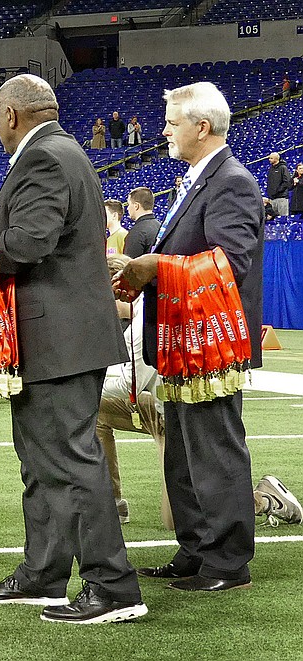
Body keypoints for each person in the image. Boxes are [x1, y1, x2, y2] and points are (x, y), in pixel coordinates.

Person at [0, 74, 145, 624]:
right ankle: (45, 573)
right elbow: (34, 221)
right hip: (58, 336)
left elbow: (32, 240)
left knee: (71, 460)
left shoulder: (44, 158)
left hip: (59, 337)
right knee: (42, 460)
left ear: (10, 116)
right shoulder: (60, 150)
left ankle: (113, 586)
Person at [118, 81, 264, 592]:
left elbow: (231, 261)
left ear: (201, 127)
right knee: (182, 450)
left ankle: (227, 561)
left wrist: (154, 265)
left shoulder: (232, 182)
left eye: (172, 122)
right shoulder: (202, 179)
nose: (164, 131)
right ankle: (197, 547)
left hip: (212, 345)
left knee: (215, 449)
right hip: (184, 341)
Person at [101, 256, 302, 530]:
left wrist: (91, 388)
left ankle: (263, 499)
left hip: (168, 411)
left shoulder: (142, 321)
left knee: (181, 517)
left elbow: (130, 384)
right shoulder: (139, 315)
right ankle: (111, 503)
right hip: (159, 402)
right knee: (95, 412)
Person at [123, 187, 161, 258]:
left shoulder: (137, 232)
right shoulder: (160, 227)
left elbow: (130, 265)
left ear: (136, 206)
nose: (127, 208)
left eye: (129, 204)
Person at [265, 151, 290, 218]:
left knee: (283, 218)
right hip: (272, 199)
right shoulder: (271, 169)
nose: (269, 159)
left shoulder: (283, 168)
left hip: (281, 198)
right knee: (273, 218)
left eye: (271, 158)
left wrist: (278, 191)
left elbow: (286, 182)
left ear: (276, 159)